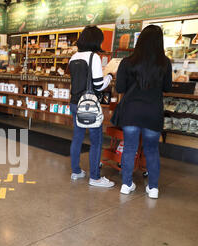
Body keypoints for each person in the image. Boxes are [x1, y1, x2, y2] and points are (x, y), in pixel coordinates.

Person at [116, 25, 172, 199]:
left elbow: (119, 88)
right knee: (152, 150)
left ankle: (126, 184)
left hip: (131, 111)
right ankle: (153, 188)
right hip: (153, 111)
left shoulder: (127, 62)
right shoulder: (165, 63)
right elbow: (167, 88)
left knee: (129, 149)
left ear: (139, 40)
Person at [68, 25, 115, 188]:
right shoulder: (93, 57)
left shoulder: (73, 57)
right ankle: (95, 177)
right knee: (96, 140)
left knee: (77, 137)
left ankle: (76, 171)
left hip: (75, 103)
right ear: (96, 40)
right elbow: (98, 85)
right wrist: (109, 76)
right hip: (89, 105)